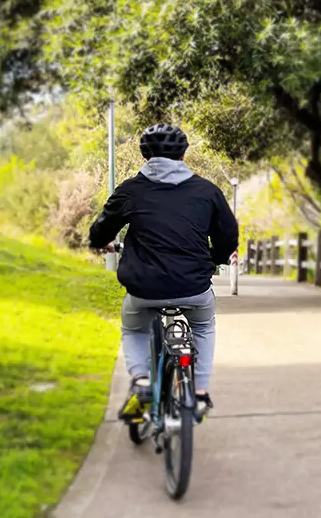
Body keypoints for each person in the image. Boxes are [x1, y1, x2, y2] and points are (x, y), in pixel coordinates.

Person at [88, 123, 239, 419]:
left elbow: (101, 229)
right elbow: (228, 236)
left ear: (145, 156)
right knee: (204, 327)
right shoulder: (207, 191)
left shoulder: (131, 190)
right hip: (194, 288)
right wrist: (213, 258)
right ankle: (199, 393)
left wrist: (101, 242)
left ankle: (142, 382)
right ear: (183, 155)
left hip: (143, 290)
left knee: (133, 329)